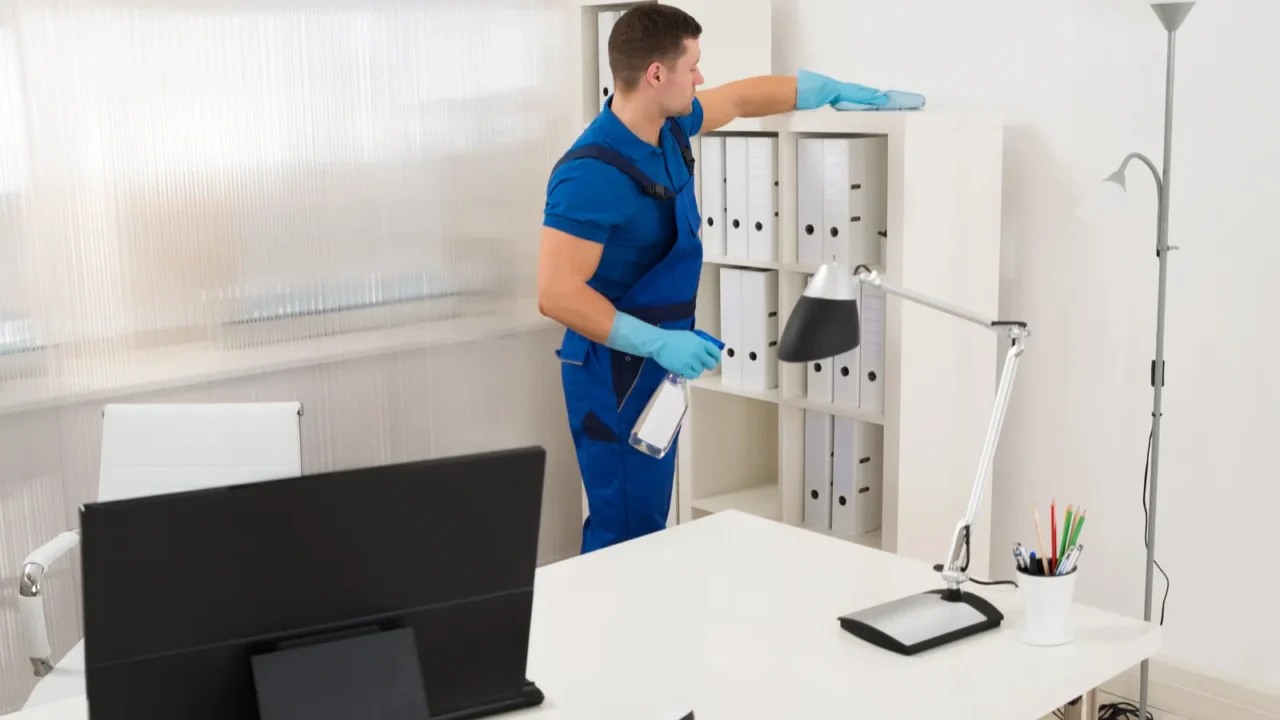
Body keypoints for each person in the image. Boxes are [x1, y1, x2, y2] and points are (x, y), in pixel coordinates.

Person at [537, 3, 896, 554]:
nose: (701, 78)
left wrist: (821, 90)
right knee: (623, 534)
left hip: (658, 367)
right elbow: (556, 293)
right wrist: (657, 341)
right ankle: (610, 637)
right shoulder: (588, 173)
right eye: (694, 65)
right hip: (612, 375)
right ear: (656, 74)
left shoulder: (671, 127)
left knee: (647, 525)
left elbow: (741, 98)